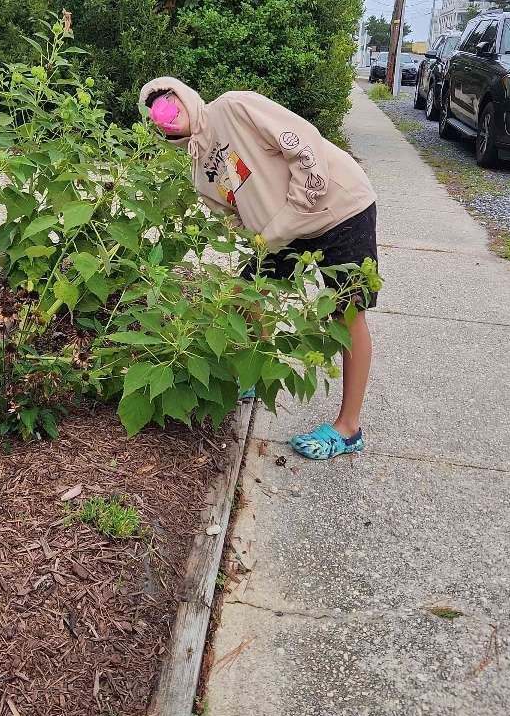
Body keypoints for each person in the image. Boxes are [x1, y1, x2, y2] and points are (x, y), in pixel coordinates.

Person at [139, 77, 379, 461]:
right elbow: (231, 216)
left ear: (182, 94)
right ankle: (256, 371)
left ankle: (349, 429)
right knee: (245, 294)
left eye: (167, 97)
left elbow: (303, 142)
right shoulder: (199, 171)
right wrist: (265, 231)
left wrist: (293, 213)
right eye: (155, 109)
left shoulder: (234, 107)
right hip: (281, 230)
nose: (165, 108)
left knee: (347, 312)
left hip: (337, 205)